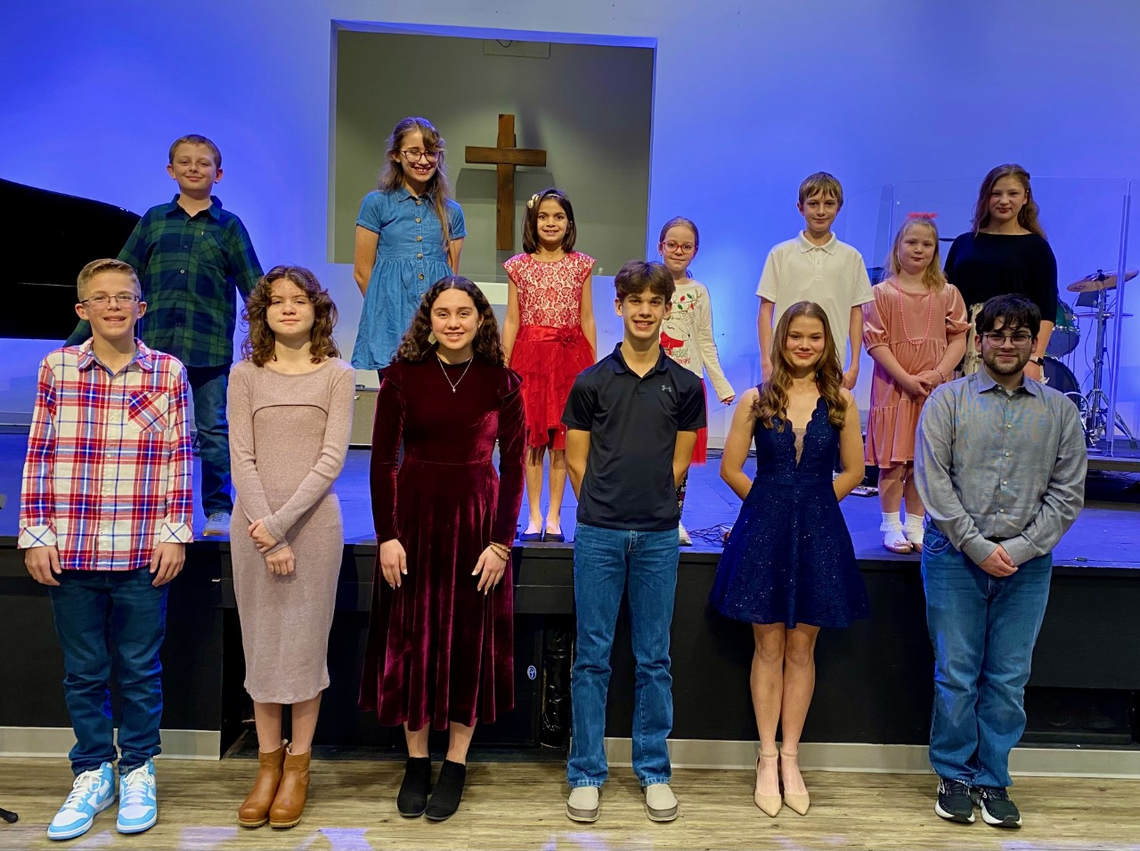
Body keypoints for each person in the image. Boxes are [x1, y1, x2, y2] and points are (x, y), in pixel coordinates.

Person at [20, 258, 193, 840]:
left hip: (142, 550)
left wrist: (175, 532)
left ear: (141, 308)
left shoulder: (167, 372)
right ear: (83, 310)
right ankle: (94, 769)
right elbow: (39, 454)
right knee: (84, 671)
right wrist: (36, 534)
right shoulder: (57, 368)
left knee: (140, 669)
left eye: (125, 297)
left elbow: (180, 456)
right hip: (71, 549)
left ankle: (139, 766)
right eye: (102, 298)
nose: (114, 305)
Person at [915, 295, 1086, 829]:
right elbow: (934, 483)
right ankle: (954, 775)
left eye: (1018, 335)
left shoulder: (1060, 410)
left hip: (1027, 564)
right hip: (953, 556)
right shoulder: (946, 402)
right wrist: (976, 545)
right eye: (996, 334)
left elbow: (1068, 494)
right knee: (957, 675)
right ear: (978, 339)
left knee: (1009, 678)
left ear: (1034, 342)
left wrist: (1016, 549)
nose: (1007, 344)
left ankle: (993, 779)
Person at [360, 277, 525, 822]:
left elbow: (515, 466)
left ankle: (455, 763)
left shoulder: (503, 382)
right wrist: (386, 536)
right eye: (442, 313)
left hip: (478, 523)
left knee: (466, 643)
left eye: (464, 313)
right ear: (427, 320)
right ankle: (416, 762)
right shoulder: (400, 378)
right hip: (414, 523)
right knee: (413, 638)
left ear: (481, 320)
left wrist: (502, 543)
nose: (453, 322)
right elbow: (382, 462)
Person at [710, 301, 868, 818]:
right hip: (765, 532)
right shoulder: (755, 400)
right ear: (782, 341)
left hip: (819, 534)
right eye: (796, 336)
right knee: (768, 645)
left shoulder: (842, 401)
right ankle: (765, 755)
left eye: (815, 338)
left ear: (827, 344)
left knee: (803, 649)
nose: (805, 345)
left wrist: (816, 505)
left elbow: (854, 470)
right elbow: (731, 468)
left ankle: (791, 758)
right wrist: (773, 505)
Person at [562, 260, 705, 824]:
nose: (644, 310)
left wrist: (654, 505)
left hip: (657, 537)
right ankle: (586, 773)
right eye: (633, 300)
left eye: (654, 301)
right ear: (619, 306)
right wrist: (603, 506)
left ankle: (653, 771)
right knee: (592, 657)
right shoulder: (591, 381)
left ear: (667, 309)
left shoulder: (686, 386)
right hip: (597, 533)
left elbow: (680, 460)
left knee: (654, 658)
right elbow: (576, 460)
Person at [65, 134, 262, 538]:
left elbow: (254, 288)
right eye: (185, 162)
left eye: (203, 163)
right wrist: (74, 343)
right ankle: (155, 502)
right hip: (154, 351)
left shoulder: (229, 227)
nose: (194, 168)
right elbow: (115, 281)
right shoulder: (154, 220)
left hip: (207, 348)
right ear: (171, 171)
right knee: (154, 430)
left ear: (218, 174)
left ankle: (219, 509)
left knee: (212, 429)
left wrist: (271, 343)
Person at [227, 267, 355, 830]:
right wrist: (265, 528)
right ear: (263, 312)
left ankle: (298, 769)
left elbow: (331, 460)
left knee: (303, 648)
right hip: (252, 528)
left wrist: (281, 527)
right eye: (276, 301)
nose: (286, 309)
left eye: (297, 300)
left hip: (312, 527)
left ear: (316, 308)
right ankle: (266, 768)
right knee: (261, 647)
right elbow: (241, 458)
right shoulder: (244, 375)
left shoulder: (337, 374)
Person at [863, 215, 968, 553]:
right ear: (898, 247)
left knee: (924, 461)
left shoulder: (948, 293)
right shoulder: (880, 293)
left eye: (927, 244)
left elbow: (958, 339)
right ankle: (891, 524)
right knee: (894, 461)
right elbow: (875, 342)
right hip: (894, 387)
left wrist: (937, 375)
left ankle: (915, 525)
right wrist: (906, 379)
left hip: (934, 389)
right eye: (912, 242)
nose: (919, 249)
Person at [502, 188, 597, 543]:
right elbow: (512, 319)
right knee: (531, 440)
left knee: (562, 440)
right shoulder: (518, 267)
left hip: (568, 360)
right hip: (529, 359)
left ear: (568, 222)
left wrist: (592, 365)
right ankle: (534, 514)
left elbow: (586, 317)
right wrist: (505, 365)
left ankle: (556, 515)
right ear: (533, 220)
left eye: (558, 216)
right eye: (543, 216)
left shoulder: (581, 264)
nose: (551, 223)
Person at [351, 116, 466, 373]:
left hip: (436, 320)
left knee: (436, 400)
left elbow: (451, 274)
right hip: (390, 319)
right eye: (414, 152)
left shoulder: (452, 212)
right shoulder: (377, 204)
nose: (423, 161)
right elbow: (361, 271)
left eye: (430, 153)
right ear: (395, 155)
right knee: (396, 399)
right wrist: (384, 313)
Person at [656, 216, 736, 545]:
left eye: (686, 246)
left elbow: (705, 340)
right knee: (649, 453)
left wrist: (721, 385)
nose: (678, 251)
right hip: (650, 383)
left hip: (687, 385)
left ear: (696, 251)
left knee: (680, 460)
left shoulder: (699, 291)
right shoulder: (649, 282)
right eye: (672, 244)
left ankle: (673, 520)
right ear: (660, 246)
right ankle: (646, 516)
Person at [756, 172, 874, 390]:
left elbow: (856, 312)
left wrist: (855, 365)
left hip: (831, 360)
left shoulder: (851, 257)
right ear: (800, 207)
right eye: (813, 204)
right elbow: (765, 310)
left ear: (839, 208)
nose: (821, 211)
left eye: (829, 204)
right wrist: (766, 361)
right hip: (785, 358)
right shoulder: (781, 253)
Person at [943, 164, 1058, 380]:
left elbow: (1047, 308)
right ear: (985, 198)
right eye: (996, 194)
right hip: (963, 346)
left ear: (1025, 197)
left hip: (1015, 343)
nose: (1004, 200)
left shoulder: (1037, 247)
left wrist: (1035, 359)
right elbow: (946, 301)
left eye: (1012, 193)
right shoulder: (962, 244)